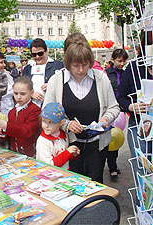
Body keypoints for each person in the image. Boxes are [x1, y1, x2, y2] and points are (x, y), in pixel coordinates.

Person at [43, 42, 120, 183]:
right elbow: (47, 111)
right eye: (76, 66)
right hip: (69, 143)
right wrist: (66, 124)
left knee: (95, 181)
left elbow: (114, 107)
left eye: (85, 65)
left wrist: (105, 119)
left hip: (97, 143)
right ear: (68, 64)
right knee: (72, 181)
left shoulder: (101, 78)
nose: (80, 70)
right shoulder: (57, 80)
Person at [117, 30, 153, 159]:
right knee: (142, 168)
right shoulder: (134, 68)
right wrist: (130, 106)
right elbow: (120, 96)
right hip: (140, 126)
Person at [0, 76, 41, 157]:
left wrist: (6, 126)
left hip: (31, 154)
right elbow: (9, 137)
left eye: (23, 94)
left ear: (31, 93)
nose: (19, 97)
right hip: (14, 153)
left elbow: (27, 132)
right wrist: (2, 131)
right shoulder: (12, 112)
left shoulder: (35, 110)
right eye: (15, 93)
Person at [105, 48, 128, 181]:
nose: (122, 63)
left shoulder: (126, 74)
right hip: (109, 111)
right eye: (119, 60)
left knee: (117, 138)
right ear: (113, 60)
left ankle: (113, 166)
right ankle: (109, 165)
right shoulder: (106, 74)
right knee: (108, 139)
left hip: (121, 112)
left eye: (124, 61)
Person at [36, 102, 80, 170]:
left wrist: (73, 154)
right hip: (47, 175)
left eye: (51, 122)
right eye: (44, 121)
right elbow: (49, 165)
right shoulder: (43, 141)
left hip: (64, 173)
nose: (46, 126)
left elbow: (62, 155)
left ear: (61, 123)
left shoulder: (63, 135)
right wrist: (68, 152)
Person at [22, 38, 63, 106]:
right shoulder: (27, 68)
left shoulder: (58, 65)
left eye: (40, 53)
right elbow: (22, 86)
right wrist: (30, 93)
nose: (37, 57)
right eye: (34, 54)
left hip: (51, 107)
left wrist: (52, 85)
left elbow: (65, 84)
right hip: (31, 107)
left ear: (46, 51)